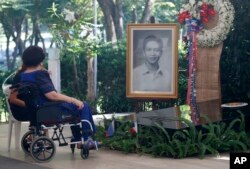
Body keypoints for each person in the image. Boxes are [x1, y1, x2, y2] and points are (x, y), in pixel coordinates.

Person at [9, 45, 100, 149]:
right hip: (50, 109)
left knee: (75, 108)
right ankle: (86, 138)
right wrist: (74, 100)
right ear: (40, 59)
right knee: (83, 106)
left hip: (38, 110)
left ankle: (78, 139)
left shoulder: (20, 76)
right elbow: (52, 95)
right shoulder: (40, 74)